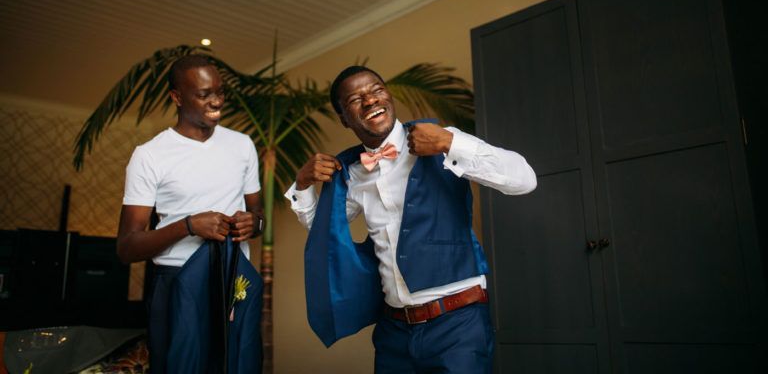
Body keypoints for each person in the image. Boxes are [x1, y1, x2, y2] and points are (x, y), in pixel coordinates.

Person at [286, 65, 536, 374]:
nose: (370, 100)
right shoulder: (349, 172)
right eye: (355, 99)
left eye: (376, 90)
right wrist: (301, 185)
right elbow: (321, 229)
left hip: (458, 324)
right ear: (344, 118)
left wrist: (449, 143)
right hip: (394, 331)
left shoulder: (444, 140)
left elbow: (524, 179)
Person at [118, 55, 263, 373]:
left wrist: (254, 223)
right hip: (175, 283)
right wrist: (188, 226)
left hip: (232, 278)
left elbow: (258, 215)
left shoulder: (242, 146)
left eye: (220, 91)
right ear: (177, 97)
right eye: (203, 93)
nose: (216, 101)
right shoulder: (150, 156)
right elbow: (127, 248)